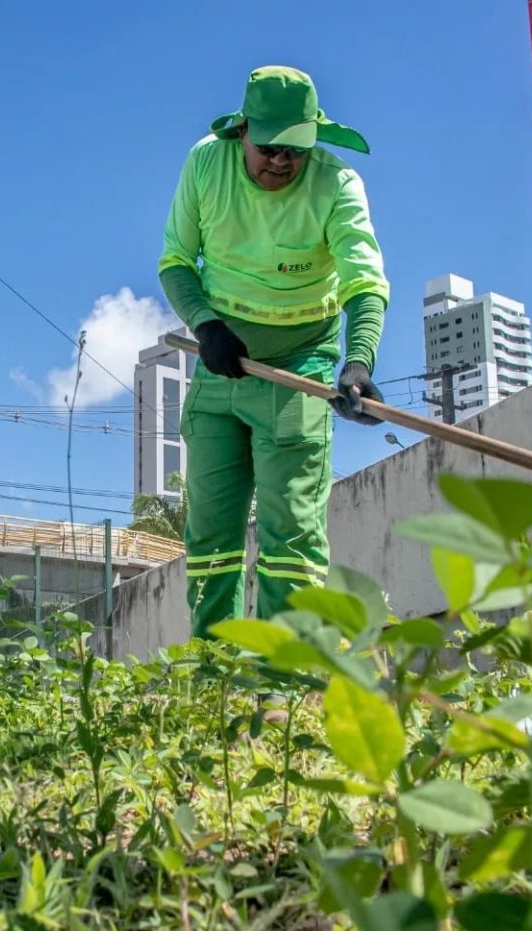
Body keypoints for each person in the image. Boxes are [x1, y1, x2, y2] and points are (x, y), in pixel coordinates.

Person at [158, 66, 389, 638]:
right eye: (270, 148)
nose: (282, 162)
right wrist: (205, 325)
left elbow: (365, 283)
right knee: (210, 534)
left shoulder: (337, 185)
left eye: (296, 150)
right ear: (243, 132)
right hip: (223, 365)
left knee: (291, 532)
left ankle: (285, 687)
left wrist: (357, 362)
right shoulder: (206, 164)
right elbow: (176, 261)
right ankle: (215, 676)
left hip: (299, 365)